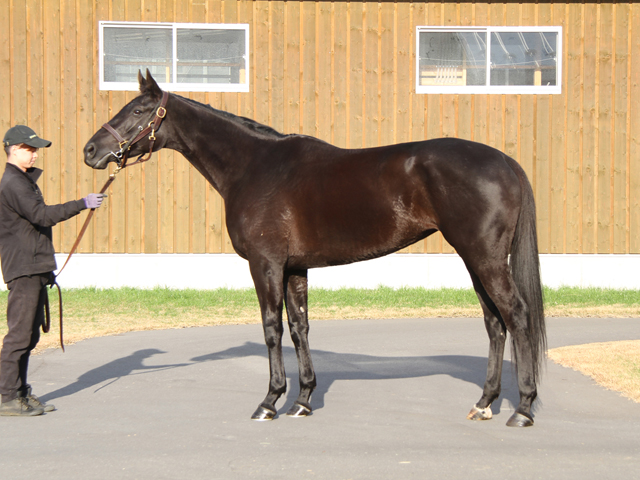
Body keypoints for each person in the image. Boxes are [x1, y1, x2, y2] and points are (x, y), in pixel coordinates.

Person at [0, 125, 105, 416]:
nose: (35, 154)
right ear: (15, 150)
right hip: (24, 268)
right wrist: (81, 203)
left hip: (33, 266)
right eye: (30, 149)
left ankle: (19, 392)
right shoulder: (13, 183)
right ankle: (6, 397)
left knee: (29, 337)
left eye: (36, 150)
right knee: (19, 337)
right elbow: (41, 215)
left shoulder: (22, 181)